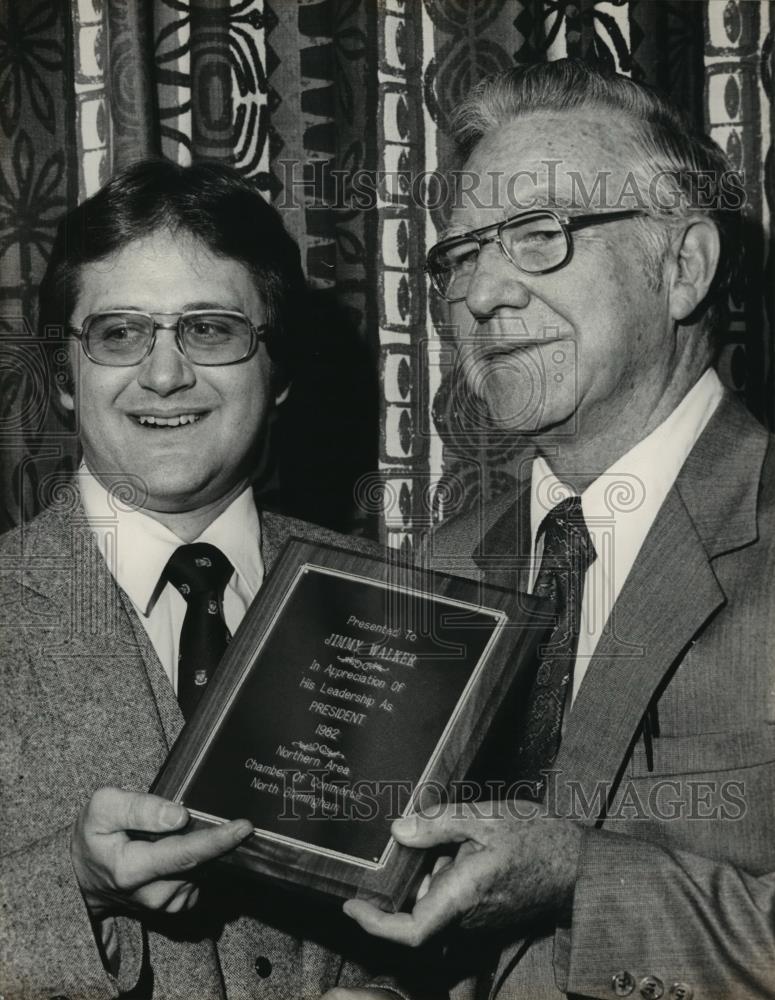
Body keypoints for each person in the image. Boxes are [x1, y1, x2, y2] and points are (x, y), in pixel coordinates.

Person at [339, 59, 775, 999]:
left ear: (683, 267)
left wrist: (582, 879)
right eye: (460, 256)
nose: (483, 294)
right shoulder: (439, 567)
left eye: (538, 235)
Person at [0, 161, 406, 1000]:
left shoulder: (399, 602)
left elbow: (479, 919)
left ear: (280, 368)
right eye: (119, 333)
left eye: (210, 330)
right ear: (66, 377)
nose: (163, 375)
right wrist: (71, 881)